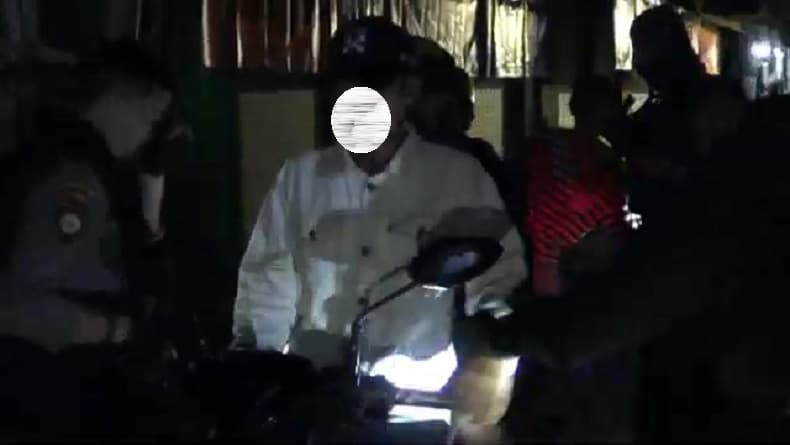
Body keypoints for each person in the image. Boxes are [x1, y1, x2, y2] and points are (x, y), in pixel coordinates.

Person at [232, 16, 525, 383]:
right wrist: (258, 373)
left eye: (371, 85)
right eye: (344, 86)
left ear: (408, 91)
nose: (355, 100)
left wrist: (486, 377)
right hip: (316, 391)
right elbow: (265, 290)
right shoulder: (299, 179)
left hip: (416, 398)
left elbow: (499, 287)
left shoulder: (459, 178)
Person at [0, 40, 182, 353]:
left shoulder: (73, 164)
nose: (148, 134)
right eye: (149, 117)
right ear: (117, 99)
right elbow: (16, 304)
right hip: (46, 371)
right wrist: (112, 330)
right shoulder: (74, 181)